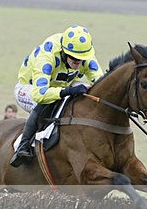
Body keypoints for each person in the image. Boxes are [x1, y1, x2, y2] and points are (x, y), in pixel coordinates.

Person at [10, 25, 104, 167]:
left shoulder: (85, 54)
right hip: (30, 89)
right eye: (73, 58)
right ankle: (23, 146)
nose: (78, 62)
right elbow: (40, 94)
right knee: (47, 103)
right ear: (64, 52)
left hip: (60, 86)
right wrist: (67, 91)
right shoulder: (47, 56)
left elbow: (100, 82)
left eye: (81, 58)